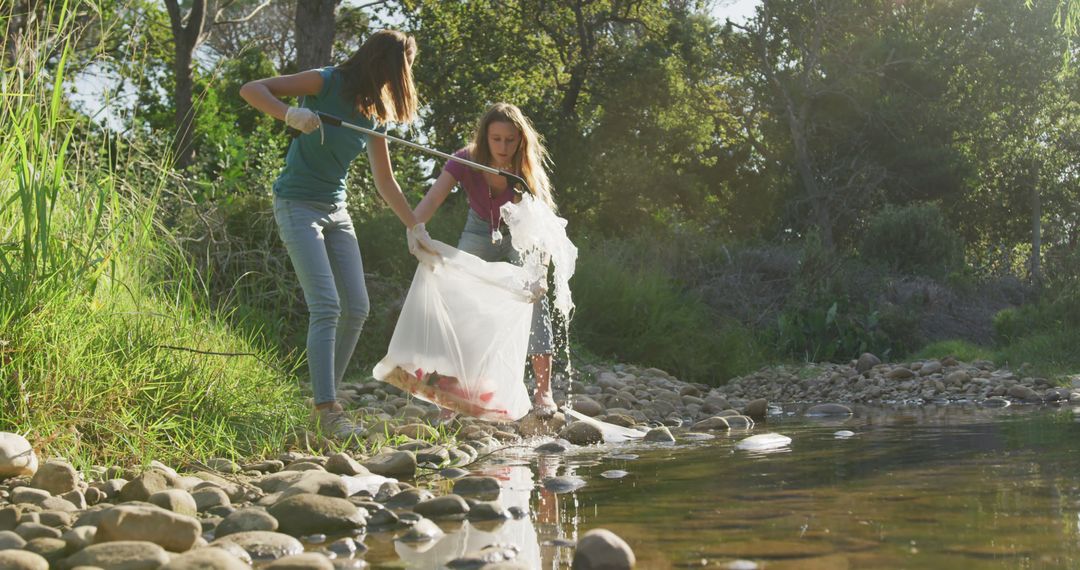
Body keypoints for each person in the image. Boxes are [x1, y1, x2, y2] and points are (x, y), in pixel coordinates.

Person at [239, 30, 437, 439]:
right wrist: (290, 114)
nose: (398, 82)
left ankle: (324, 399)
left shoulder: (375, 111)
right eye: (400, 71)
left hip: (336, 210)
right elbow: (252, 89)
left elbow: (386, 181)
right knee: (327, 305)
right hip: (296, 203)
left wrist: (414, 226)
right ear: (383, 63)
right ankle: (326, 409)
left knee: (357, 308)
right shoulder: (323, 81)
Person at [412, 102, 558, 416]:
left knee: (533, 299)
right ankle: (455, 387)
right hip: (479, 228)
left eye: (510, 139)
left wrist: (541, 272)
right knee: (461, 296)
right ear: (484, 138)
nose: (503, 147)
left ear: (520, 139)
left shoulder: (527, 170)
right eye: (496, 139)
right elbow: (434, 197)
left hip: (521, 231)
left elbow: (543, 228)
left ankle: (543, 391)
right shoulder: (465, 159)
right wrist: (414, 229)